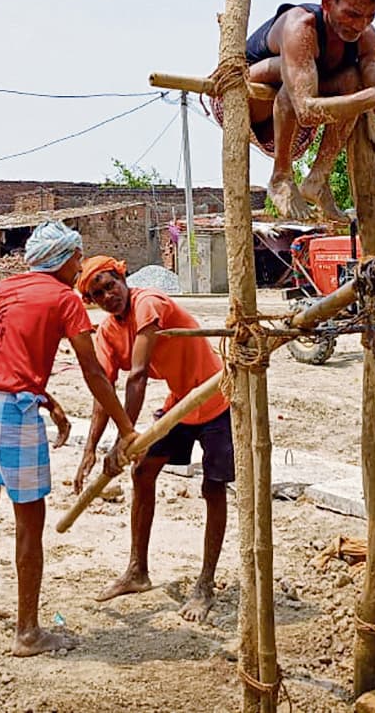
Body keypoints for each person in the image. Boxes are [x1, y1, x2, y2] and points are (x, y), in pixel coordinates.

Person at [0, 221, 139, 657]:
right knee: (29, 520)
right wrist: (126, 428)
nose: (79, 267)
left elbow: (3, 356)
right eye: (76, 257)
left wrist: (46, 398)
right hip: (12, 414)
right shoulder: (63, 299)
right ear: (62, 258)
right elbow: (94, 371)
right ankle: (28, 632)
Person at [210, 0, 375, 221]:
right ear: (328, 1)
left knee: (351, 80)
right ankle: (281, 175)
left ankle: (318, 178)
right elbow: (306, 110)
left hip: (298, 106)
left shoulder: (367, 39)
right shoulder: (300, 27)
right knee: (291, 76)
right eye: (351, 14)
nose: (359, 25)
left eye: (369, 17)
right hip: (247, 96)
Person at [74, 255, 231, 623]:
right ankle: (137, 571)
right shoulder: (109, 332)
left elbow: (139, 375)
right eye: (98, 294)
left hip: (216, 396)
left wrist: (123, 441)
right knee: (143, 473)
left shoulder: (149, 303)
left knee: (213, 487)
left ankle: (205, 584)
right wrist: (91, 449)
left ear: (122, 278)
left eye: (110, 285)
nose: (108, 296)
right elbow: (104, 393)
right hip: (181, 403)